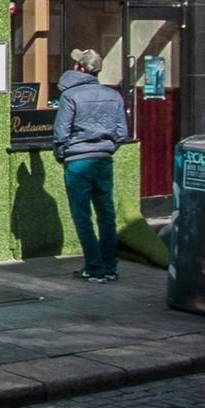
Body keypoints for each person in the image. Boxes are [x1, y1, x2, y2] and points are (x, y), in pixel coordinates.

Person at [53, 46, 129, 282]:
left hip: (77, 161)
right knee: (106, 214)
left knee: (82, 216)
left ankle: (94, 268)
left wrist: (62, 155)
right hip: (103, 160)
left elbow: (61, 134)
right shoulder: (114, 95)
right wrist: (106, 148)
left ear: (80, 68)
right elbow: (121, 133)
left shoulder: (70, 96)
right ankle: (110, 267)